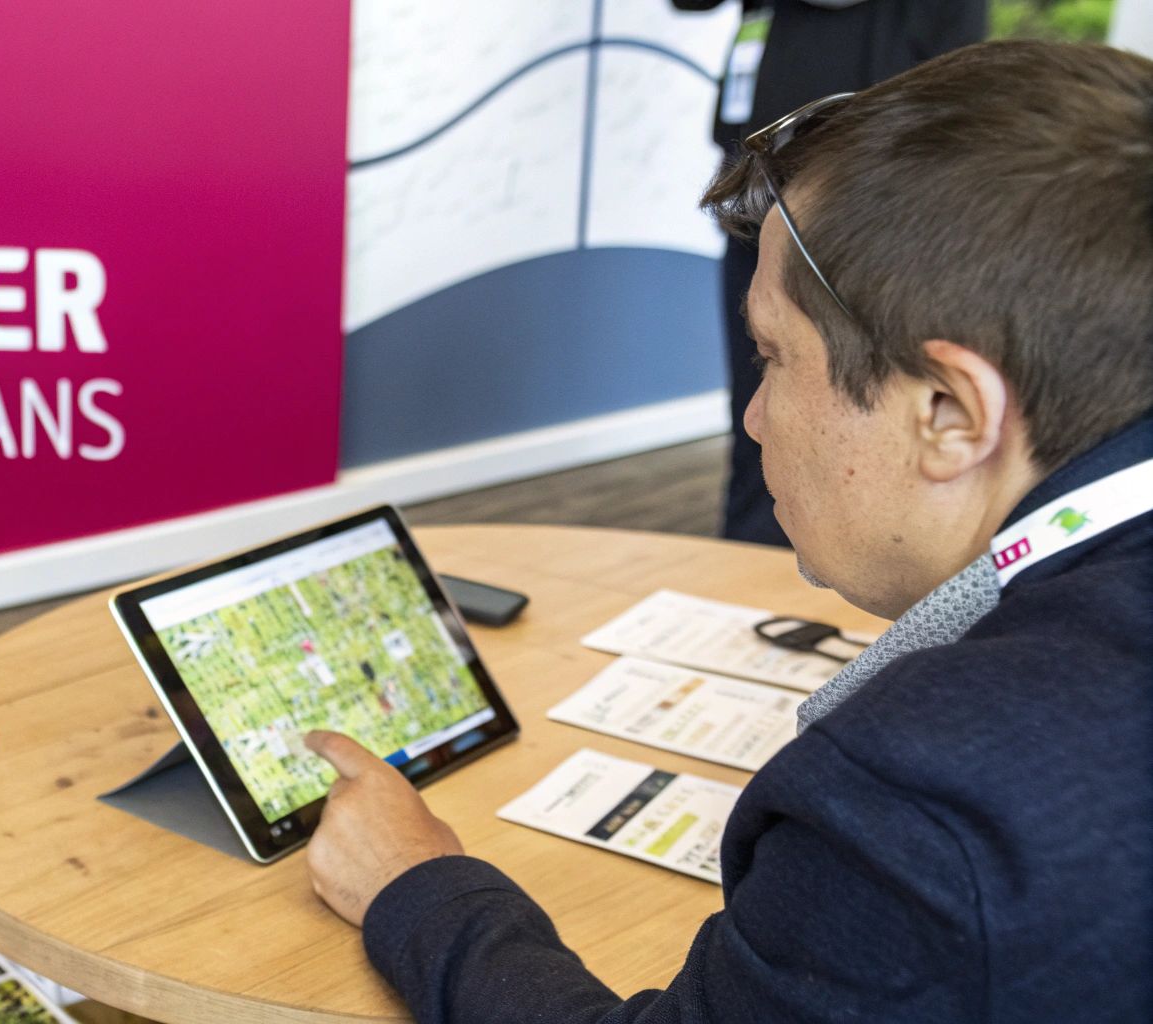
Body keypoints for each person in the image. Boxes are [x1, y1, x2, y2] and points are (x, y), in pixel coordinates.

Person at [304, 39, 1153, 1022]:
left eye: (771, 357)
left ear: (948, 412)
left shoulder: (919, 793)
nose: (753, 419)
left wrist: (415, 884)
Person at [671, 0, 987, 545]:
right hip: (759, 180)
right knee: (758, 403)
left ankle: (832, 556)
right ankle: (749, 552)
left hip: (864, 192)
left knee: (848, 405)